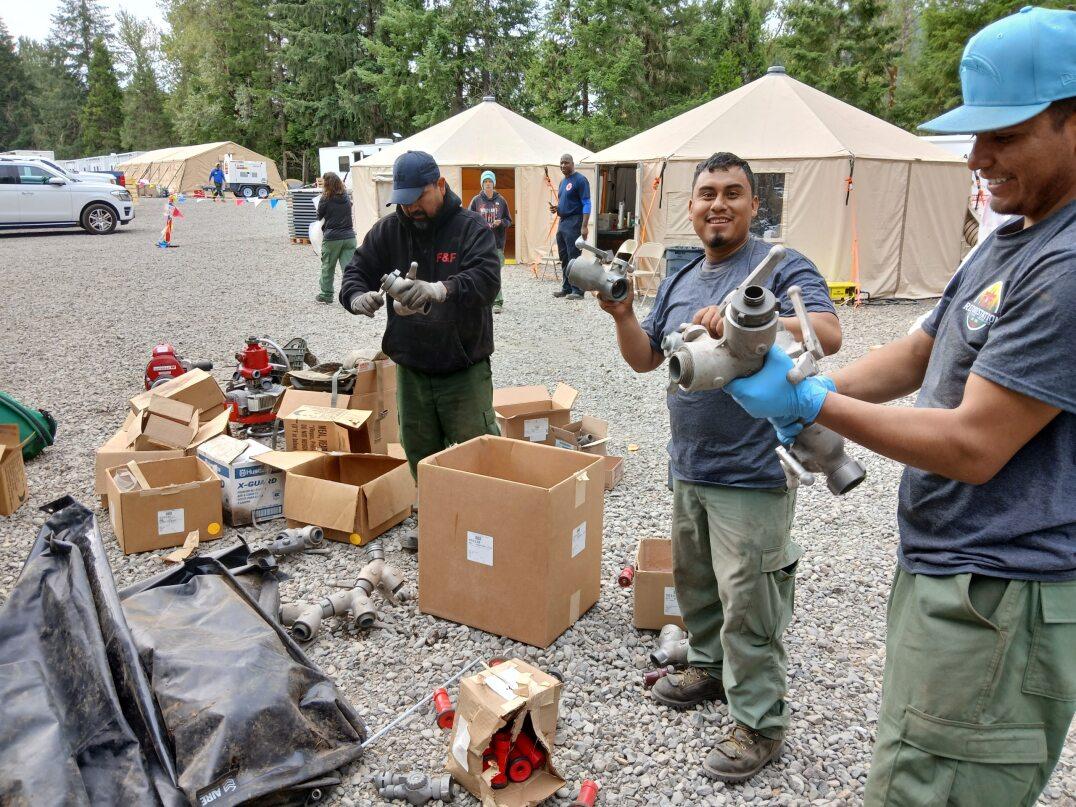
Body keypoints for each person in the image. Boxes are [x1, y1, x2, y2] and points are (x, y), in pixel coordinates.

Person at [724, 8, 1076, 805]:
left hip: (1000, 596)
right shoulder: (1011, 236)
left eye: (1006, 134)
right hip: (961, 579)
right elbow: (921, 352)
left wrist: (810, 399)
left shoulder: (1065, 265)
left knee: (930, 786)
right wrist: (804, 387)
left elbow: (973, 444)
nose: (978, 157)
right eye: (974, 135)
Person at [597, 151, 841, 782]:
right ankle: (706, 665)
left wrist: (750, 318)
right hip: (691, 463)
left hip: (755, 471)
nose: (719, 204)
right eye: (707, 193)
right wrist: (624, 314)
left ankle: (759, 723)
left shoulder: (781, 265)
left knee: (750, 601)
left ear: (754, 204)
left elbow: (830, 333)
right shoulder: (681, 278)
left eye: (733, 193)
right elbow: (645, 359)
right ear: (691, 205)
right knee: (698, 583)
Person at [340, 151, 501, 542]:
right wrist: (356, 297)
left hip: (463, 368)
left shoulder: (470, 228)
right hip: (412, 370)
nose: (410, 206)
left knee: (477, 453)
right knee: (420, 454)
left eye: (418, 197)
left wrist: (441, 288)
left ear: (440, 186)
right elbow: (355, 271)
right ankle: (437, 526)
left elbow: (487, 278)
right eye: (404, 199)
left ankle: (486, 527)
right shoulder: (388, 231)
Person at [468, 170, 511, 313]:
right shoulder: (476, 200)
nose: (487, 184)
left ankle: (497, 302)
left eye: (490, 182)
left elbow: (508, 220)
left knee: (495, 272)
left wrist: (501, 222)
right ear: (482, 184)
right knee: (479, 271)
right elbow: (469, 220)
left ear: (494, 184)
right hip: (480, 243)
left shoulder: (502, 200)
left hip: (497, 243)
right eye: (485, 182)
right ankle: (483, 300)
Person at [550, 153, 591, 300]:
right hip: (563, 222)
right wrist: (558, 208)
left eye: (566, 163)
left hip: (575, 222)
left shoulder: (580, 180)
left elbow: (586, 203)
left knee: (574, 257)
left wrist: (584, 226)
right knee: (564, 256)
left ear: (572, 163)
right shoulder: (562, 182)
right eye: (561, 163)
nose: (563, 165)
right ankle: (566, 287)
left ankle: (578, 291)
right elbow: (566, 202)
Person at [315, 172, 356, 304]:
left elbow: (319, 216)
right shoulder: (346, 197)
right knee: (349, 269)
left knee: (328, 267)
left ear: (327, 184)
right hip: (349, 237)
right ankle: (352, 295)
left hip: (332, 238)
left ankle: (326, 295)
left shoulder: (325, 198)